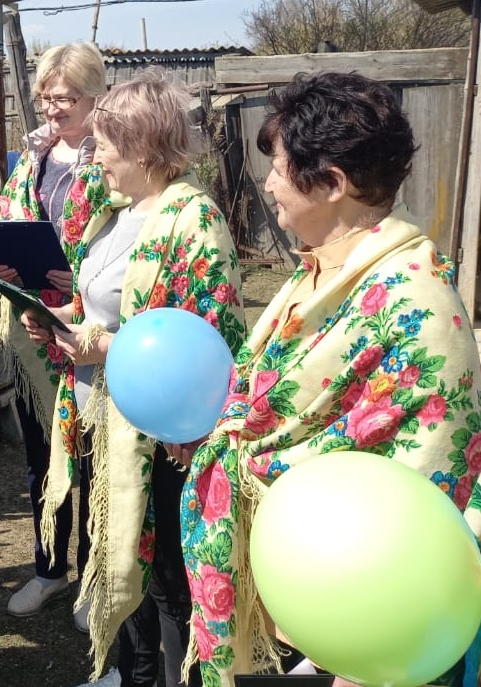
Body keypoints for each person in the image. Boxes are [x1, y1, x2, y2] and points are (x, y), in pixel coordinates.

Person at [174, 71, 481, 687]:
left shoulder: (418, 308)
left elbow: (425, 489)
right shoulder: (322, 273)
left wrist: (366, 657)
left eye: (279, 170)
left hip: (358, 615)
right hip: (294, 582)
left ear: (334, 184)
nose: (268, 185)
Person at [22, 70, 247, 687]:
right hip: (103, 412)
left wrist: (97, 346)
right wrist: (62, 326)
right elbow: (99, 306)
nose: (94, 157)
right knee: (118, 548)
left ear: (142, 146)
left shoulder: (193, 220)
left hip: (161, 435)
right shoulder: (114, 212)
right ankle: (132, 672)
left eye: (103, 144)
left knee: (167, 574)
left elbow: (205, 345)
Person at [0, 41, 108, 632]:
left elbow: (122, 243)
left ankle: (93, 578)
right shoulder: (33, 156)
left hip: (86, 334)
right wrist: (6, 264)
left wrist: (81, 271)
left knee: (90, 463)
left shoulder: (110, 157)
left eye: (65, 98)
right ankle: (48, 568)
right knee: (41, 458)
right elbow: (7, 216)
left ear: (95, 96)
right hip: (34, 329)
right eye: (46, 97)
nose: (52, 109)